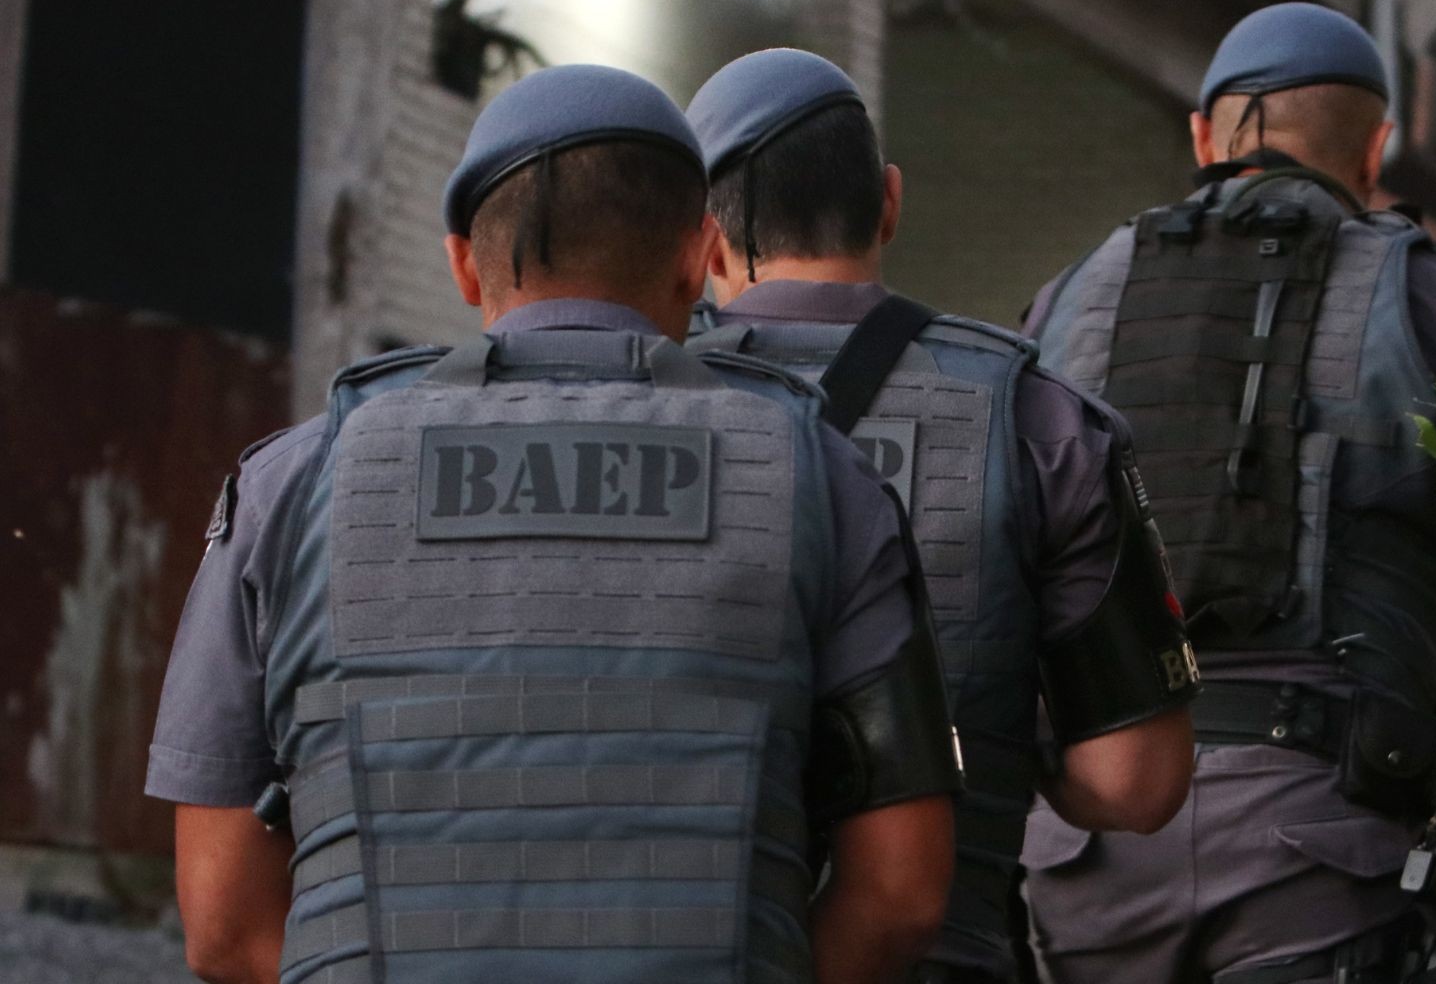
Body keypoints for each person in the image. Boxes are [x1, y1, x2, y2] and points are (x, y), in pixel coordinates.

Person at [145, 64, 963, 984]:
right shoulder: (827, 479)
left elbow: (223, 926)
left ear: (463, 265)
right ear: (699, 254)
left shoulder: (288, 487)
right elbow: (901, 893)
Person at [683, 48, 1200, 984]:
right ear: (888, 202)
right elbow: (1135, 783)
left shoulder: (636, 415)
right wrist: (994, 746)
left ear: (707, 243)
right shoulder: (1040, 418)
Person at [1024, 3, 1436, 983]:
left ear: (1205, 138)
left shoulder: (1059, 308)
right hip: (1321, 849)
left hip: (1084, 855)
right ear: (1375, 151)